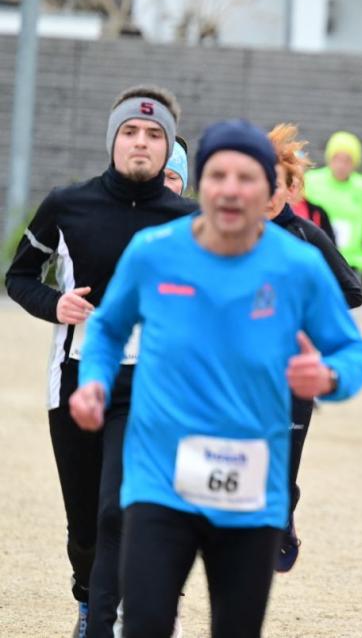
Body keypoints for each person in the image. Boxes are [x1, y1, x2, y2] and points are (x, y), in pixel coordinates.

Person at [69, 119, 362, 638]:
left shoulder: (298, 265)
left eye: (246, 177)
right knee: (145, 625)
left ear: (269, 189)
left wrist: (328, 376)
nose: (231, 189)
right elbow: (107, 329)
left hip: (250, 490)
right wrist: (94, 380)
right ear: (200, 183)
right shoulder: (154, 251)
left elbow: (354, 353)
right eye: (218, 175)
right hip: (160, 481)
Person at [4, 85, 195, 638]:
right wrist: (56, 304)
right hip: (75, 376)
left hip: (150, 383)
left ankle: (109, 623)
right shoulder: (67, 204)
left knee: (119, 509)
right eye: (130, 131)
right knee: (86, 523)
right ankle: (88, 598)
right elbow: (19, 277)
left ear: (167, 148)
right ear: (113, 139)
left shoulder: (189, 220)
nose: (141, 142)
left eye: (154, 134)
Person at [265, 123, 362, 573]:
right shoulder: (230, 235)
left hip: (294, 372)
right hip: (242, 371)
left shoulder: (307, 237)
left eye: (277, 184)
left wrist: (306, 315)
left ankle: (282, 513)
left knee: (283, 467)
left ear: (292, 188)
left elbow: (352, 291)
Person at [304, 131, 362, 276]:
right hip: (319, 258)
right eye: (337, 158)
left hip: (351, 263)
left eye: (347, 160)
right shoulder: (310, 182)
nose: (341, 165)